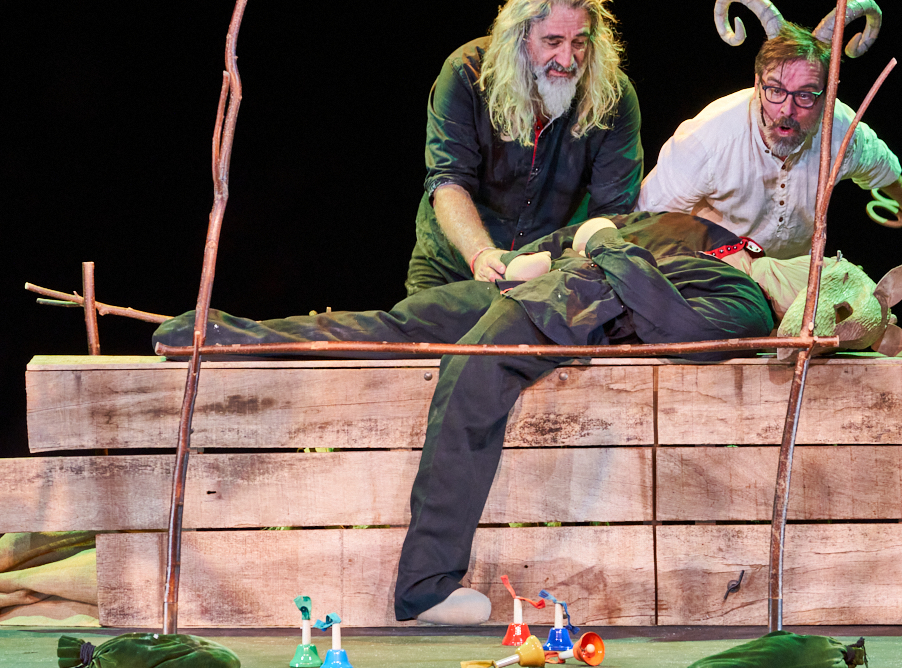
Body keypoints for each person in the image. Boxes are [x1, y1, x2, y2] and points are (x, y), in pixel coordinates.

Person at [156, 212, 779, 624]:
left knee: (465, 382)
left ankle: (425, 582)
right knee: (391, 328)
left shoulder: (746, 297)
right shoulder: (704, 239)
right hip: (547, 291)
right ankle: (224, 334)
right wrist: (535, 257)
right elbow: (588, 243)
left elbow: (668, 316)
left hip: (572, 301)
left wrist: (599, 244)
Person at [405, 0, 643, 295]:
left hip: (549, 277)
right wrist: (481, 255)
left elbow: (613, 212)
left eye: (579, 42)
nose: (567, 59)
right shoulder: (466, 75)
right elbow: (448, 180)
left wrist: (573, 273)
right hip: (454, 265)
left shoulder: (614, 97)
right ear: (521, 37)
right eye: (553, 41)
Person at [636, 21, 902, 259]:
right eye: (775, 90)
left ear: (827, 96)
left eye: (805, 95)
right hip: (721, 273)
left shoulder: (840, 131)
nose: (787, 109)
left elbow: (880, 166)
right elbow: (645, 221)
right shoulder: (709, 139)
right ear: (757, 84)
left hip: (795, 275)